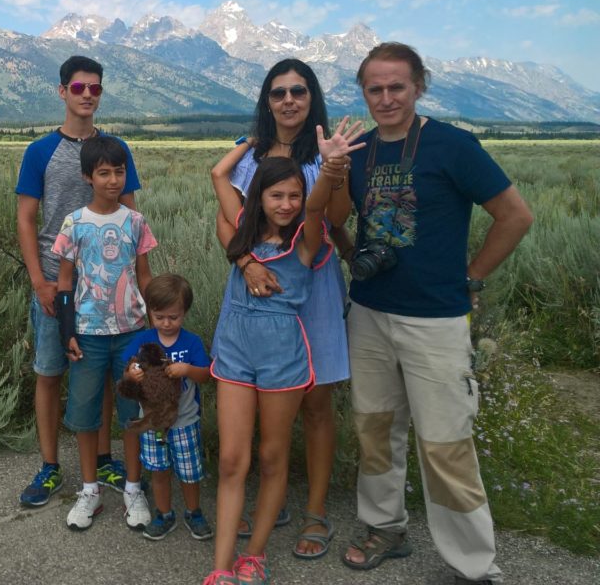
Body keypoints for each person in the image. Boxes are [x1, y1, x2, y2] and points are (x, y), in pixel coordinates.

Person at [341, 42, 533, 585]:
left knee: (446, 442)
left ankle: (473, 564)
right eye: (374, 89)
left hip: (436, 319)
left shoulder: (453, 145)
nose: (386, 98)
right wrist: (355, 256)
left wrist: (471, 278)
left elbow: (515, 216)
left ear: (419, 86)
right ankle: (385, 527)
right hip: (371, 312)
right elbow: (335, 221)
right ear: (364, 92)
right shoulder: (357, 154)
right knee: (375, 428)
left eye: (396, 86)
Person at [205, 121, 365, 585]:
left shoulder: (306, 239)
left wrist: (332, 165)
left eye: (294, 195)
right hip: (234, 350)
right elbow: (219, 176)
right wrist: (251, 143)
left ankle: (253, 555)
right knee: (235, 459)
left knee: (273, 456)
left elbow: (317, 206)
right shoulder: (242, 235)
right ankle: (220, 568)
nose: (287, 204)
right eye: (275, 195)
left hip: (284, 358)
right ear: (259, 197)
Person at [15, 56, 140, 508]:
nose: (87, 94)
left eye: (95, 88)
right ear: (62, 91)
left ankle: (104, 459)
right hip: (55, 284)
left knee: (103, 375)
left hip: (107, 291)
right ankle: (49, 466)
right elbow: (27, 219)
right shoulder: (40, 151)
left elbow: (130, 217)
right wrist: (39, 281)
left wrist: (135, 287)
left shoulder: (115, 149)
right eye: (79, 87)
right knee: (49, 373)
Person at [53, 135, 156, 532]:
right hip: (89, 334)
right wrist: (68, 333)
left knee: (131, 412)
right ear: (87, 176)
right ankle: (90, 490)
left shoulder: (135, 222)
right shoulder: (75, 224)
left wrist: (157, 327)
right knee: (85, 415)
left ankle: (132, 488)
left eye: (119, 172)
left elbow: (144, 276)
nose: (113, 180)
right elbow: (65, 283)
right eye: (104, 173)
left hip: (131, 334)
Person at [120, 274, 213, 542]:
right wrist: (132, 373)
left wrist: (188, 370)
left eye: (174, 317)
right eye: (160, 316)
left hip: (184, 420)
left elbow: (205, 374)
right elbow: (128, 368)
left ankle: (194, 512)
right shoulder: (144, 340)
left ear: (184, 312)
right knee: (159, 470)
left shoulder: (191, 342)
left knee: (189, 471)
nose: (166, 323)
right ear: (150, 312)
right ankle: (164, 513)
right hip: (151, 421)